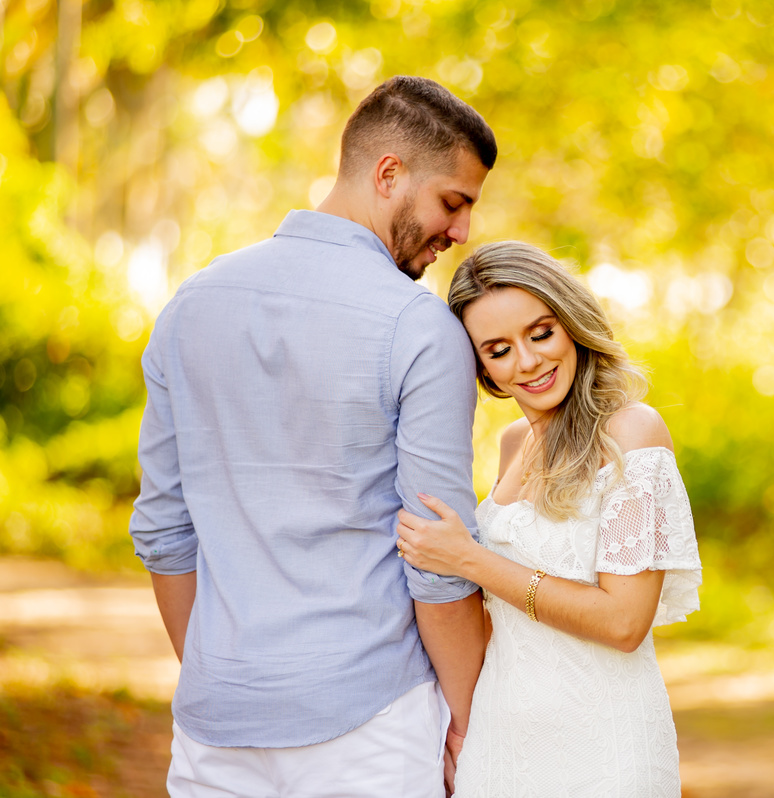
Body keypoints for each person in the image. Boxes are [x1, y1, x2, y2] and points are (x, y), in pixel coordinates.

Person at [129, 76, 496, 796]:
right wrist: (469, 718)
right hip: (372, 726)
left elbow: (164, 531)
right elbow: (438, 554)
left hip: (215, 726)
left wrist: (220, 674)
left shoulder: (190, 306)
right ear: (388, 173)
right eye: (453, 202)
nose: (461, 233)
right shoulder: (420, 329)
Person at [395, 240, 702, 797]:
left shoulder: (632, 432)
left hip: (605, 747)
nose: (529, 362)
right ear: (481, 366)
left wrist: (471, 560)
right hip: (501, 739)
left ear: (571, 323)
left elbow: (625, 623)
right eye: (499, 349)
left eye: (540, 333)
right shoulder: (513, 444)